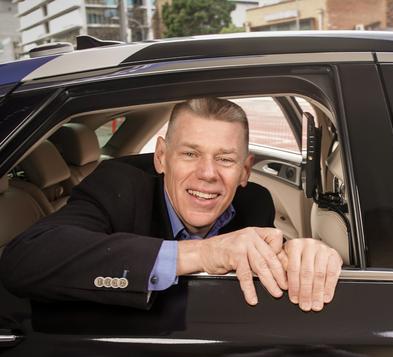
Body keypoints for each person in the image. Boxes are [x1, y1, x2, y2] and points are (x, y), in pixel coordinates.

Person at [0, 97, 343, 312]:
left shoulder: (255, 202)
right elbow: (24, 260)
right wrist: (204, 254)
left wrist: (306, 255)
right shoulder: (119, 186)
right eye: (190, 154)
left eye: (225, 159)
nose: (207, 174)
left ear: (245, 171)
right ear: (162, 157)